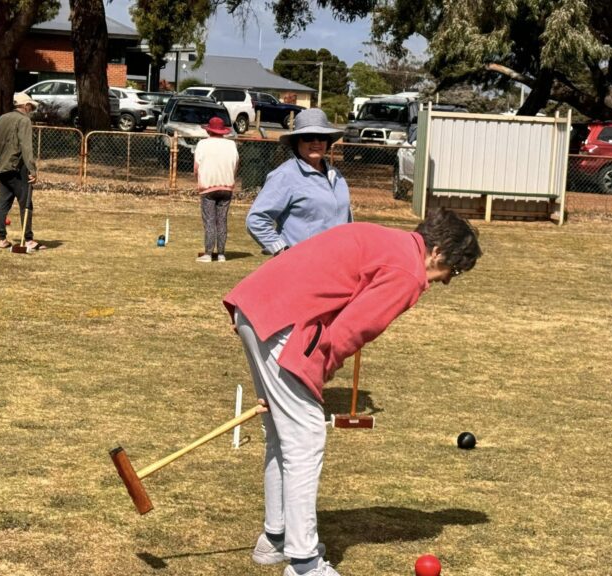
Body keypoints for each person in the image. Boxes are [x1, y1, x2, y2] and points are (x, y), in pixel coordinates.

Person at [223, 208, 482, 576]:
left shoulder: (387, 240)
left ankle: (275, 539)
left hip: (257, 307)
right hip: (283, 320)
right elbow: (350, 332)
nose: (447, 281)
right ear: (437, 252)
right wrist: (315, 374)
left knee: (281, 434)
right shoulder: (408, 272)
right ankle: (304, 563)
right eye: (453, 270)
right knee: (304, 437)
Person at [246, 108, 350, 256]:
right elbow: (256, 220)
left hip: (337, 264)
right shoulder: (285, 175)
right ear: (297, 141)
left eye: (321, 137)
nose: (316, 142)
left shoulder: (336, 176)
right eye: (308, 137)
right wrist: (283, 251)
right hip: (302, 266)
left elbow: (344, 220)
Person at [0, 92, 44, 250]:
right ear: (25, 106)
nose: (31, 108)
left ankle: (2, 239)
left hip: (3, 169)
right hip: (18, 169)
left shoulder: (2, 118)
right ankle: (28, 239)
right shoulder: (24, 120)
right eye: (30, 106)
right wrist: (32, 169)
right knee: (26, 203)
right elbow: (26, 146)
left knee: (3, 204)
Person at [194, 116, 239, 263]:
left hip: (208, 186)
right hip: (227, 186)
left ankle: (208, 253)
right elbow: (236, 165)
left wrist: (198, 179)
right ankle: (221, 254)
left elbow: (196, 167)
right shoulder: (231, 145)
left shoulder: (202, 144)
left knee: (209, 221)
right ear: (223, 132)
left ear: (209, 131)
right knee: (222, 220)